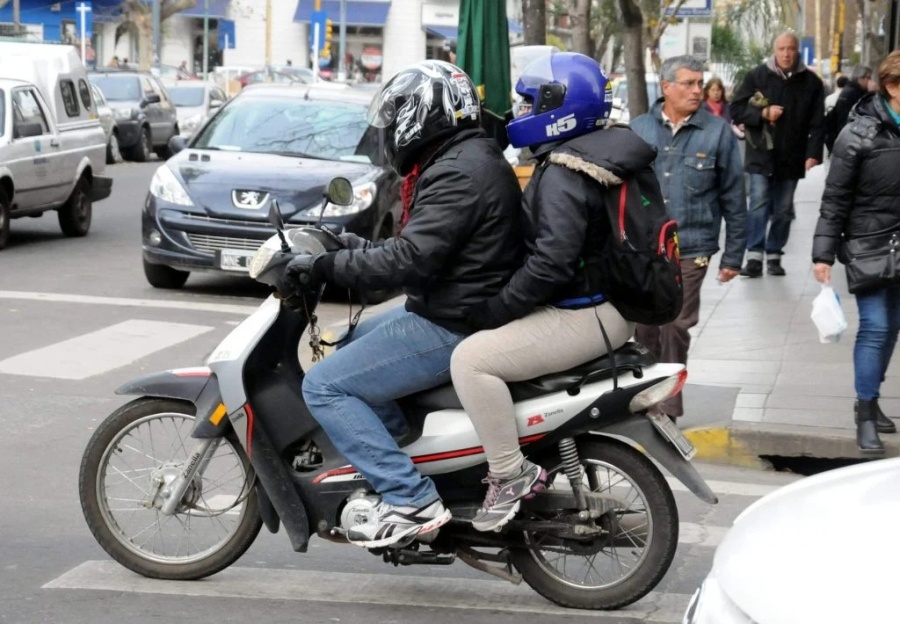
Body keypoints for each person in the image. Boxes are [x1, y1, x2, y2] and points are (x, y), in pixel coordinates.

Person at [278, 61, 525, 548]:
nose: (391, 129)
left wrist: (326, 268)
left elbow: (410, 260)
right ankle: (397, 456)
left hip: (453, 319)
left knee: (325, 386)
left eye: (397, 116)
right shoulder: (463, 157)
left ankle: (409, 497)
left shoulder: (458, 171)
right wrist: (347, 246)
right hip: (453, 302)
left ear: (423, 114)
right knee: (348, 340)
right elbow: (425, 249)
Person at [449, 52, 652, 531]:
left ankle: (508, 473)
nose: (520, 111)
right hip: (607, 306)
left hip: (585, 314)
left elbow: (551, 263)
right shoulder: (597, 150)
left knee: (471, 360)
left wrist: (497, 308)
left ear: (559, 106)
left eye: (528, 101)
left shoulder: (564, 170)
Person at [630, 55, 746, 422]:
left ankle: (669, 409)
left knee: (676, 325)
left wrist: (733, 257)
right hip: (643, 249)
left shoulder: (717, 133)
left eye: (700, 83)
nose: (697, 90)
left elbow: (733, 197)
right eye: (689, 83)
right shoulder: (638, 130)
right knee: (644, 327)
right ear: (666, 87)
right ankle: (644, 399)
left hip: (692, 247)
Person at [812, 50, 900, 456]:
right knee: (877, 326)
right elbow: (835, 198)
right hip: (869, 243)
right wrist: (823, 254)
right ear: (893, 87)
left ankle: (872, 398)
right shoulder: (859, 134)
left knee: (892, 327)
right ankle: (864, 414)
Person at [730, 30, 825, 278]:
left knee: (783, 209)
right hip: (760, 154)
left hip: (791, 156)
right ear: (775, 50)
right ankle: (753, 255)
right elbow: (736, 109)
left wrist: (813, 152)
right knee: (759, 203)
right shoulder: (757, 76)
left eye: (791, 49)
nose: (786, 54)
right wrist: (762, 114)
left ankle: (774, 254)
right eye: (781, 49)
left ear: (797, 50)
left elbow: (818, 122)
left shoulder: (812, 83)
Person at [824, 65, 873, 153]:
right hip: (849, 140)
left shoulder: (848, 90)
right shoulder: (855, 94)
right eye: (868, 78)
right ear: (860, 78)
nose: (870, 81)